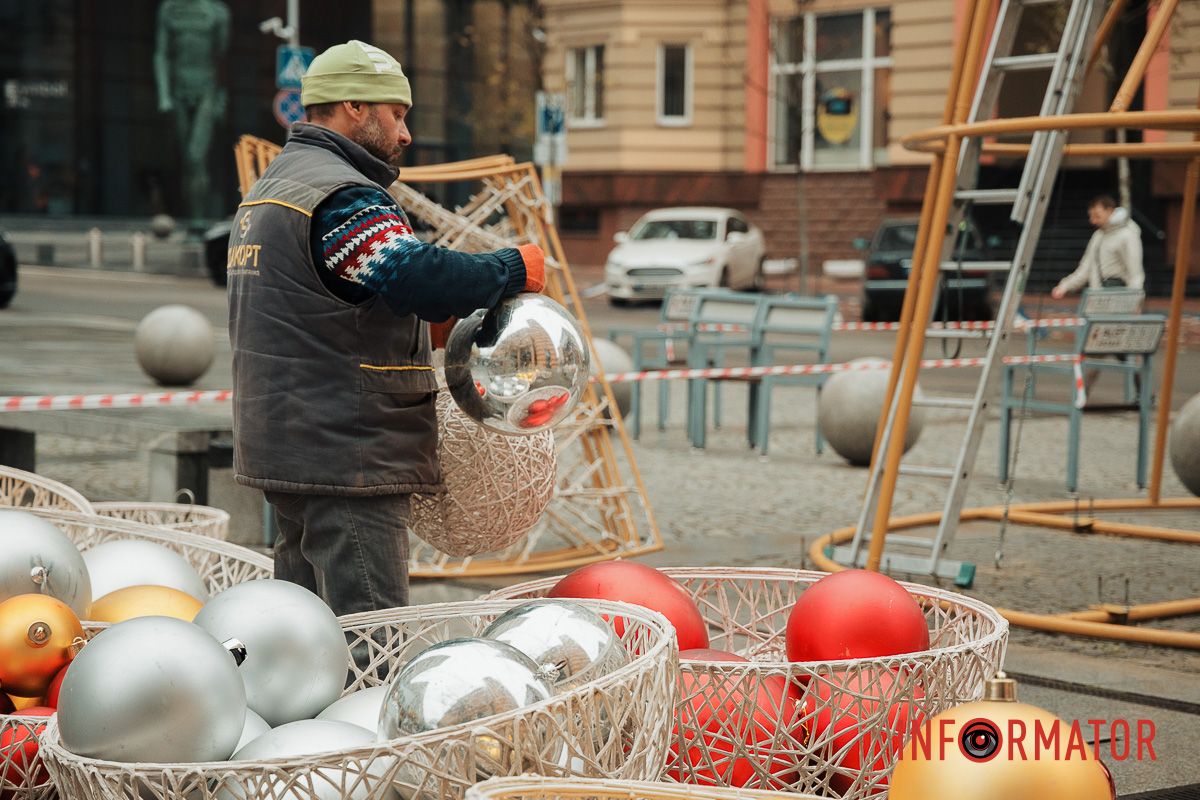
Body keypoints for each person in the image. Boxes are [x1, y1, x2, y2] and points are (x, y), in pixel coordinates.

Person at [226, 40, 546, 619]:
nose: (406, 134)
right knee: (371, 636)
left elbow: (324, 306)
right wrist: (512, 268)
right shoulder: (341, 194)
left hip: (291, 444)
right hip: (347, 455)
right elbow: (414, 275)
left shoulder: (275, 186)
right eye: (396, 114)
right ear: (353, 106)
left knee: (305, 634)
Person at [154, 0, 231, 223]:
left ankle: (198, 219)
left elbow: (222, 57)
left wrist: (221, 99)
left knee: (196, 156)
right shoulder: (170, 10)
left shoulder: (218, 13)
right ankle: (194, 218)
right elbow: (161, 54)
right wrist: (164, 94)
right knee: (189, 162)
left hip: (206, 90)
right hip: (179, 90)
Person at [1050, 194, 1144, 299]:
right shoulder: (1098, 236)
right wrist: (1064, 286)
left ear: (1110, 211)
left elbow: (1135, 273)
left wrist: (1135, 299)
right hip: (1097, 297)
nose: (1092, 220)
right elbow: (1085, 269)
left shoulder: (1128, 235)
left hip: (1119, 298)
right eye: (1091, 216)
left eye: (1097, 216)